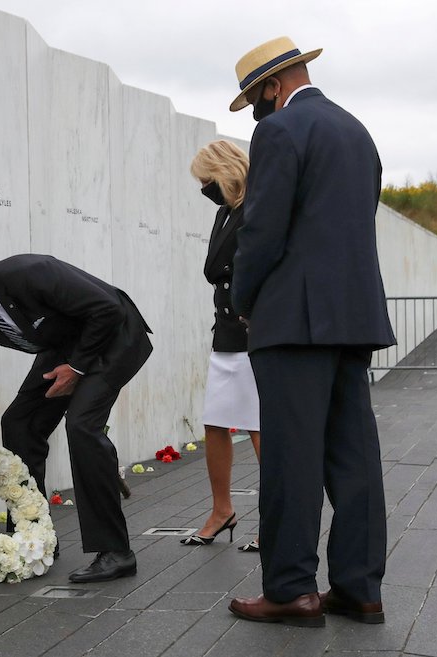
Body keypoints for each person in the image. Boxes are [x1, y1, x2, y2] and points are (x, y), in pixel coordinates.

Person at [225, 37, 396, 626]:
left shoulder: (278, 133)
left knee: (291, 460)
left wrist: (242, 299)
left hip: (293, 322)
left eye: (255, 99)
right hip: (352, 317)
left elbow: (263, 229)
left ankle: (291, 589)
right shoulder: (357, 130)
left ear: (274, 86)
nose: (256, 112)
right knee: (354, 459)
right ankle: (359, 588)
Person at [0, 254, 152, 583]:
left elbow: (106, 308)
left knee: (82, 425)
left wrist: (77, 368)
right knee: (20, 422)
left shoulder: (30, 273)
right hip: (69, 345)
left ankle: (116, 552)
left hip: (113, 336)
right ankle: (35, 539)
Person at [181, 140, 261, 550]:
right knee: (215, 422)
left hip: (253, 332)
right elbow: (216, 269)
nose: (204, 188)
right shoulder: (223, 212)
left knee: (260, 428)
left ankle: (274, 520)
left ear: (225, 172)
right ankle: (222, 510)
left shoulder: (257, 206)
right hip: (226, 333)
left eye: (207, 180)